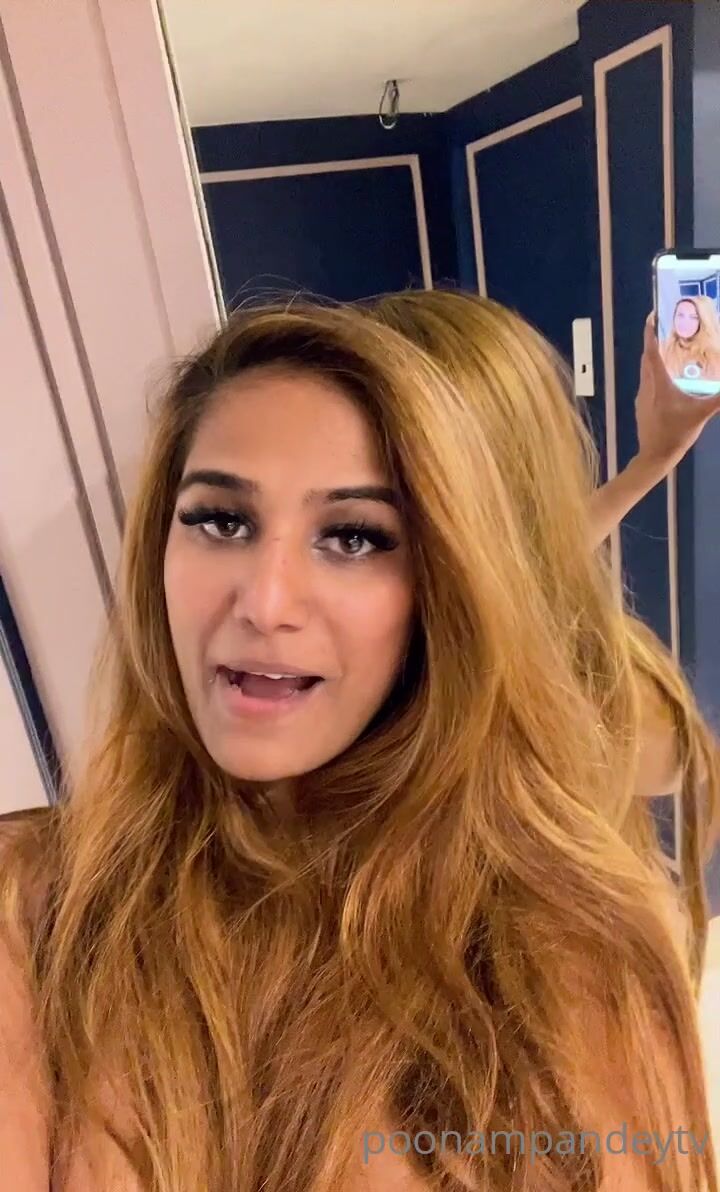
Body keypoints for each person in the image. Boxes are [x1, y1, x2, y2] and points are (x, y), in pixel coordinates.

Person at [0, 299, 718, 1192]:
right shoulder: (38, 909)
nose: (266, 602)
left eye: (357, 536)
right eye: (220, 519)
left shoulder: (578, 946)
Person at [660, 295, 720, 385]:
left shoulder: (715, 356)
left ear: (704, 321)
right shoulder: (661, 349)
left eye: (694, 317)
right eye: (680, 315)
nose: (684, 322)